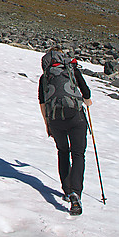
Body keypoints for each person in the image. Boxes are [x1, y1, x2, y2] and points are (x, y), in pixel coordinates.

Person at [38, 46, 92, 215]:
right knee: (78, 154)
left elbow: (42, 102)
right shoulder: (71, 70)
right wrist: (86, 101)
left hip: (55, 119)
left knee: (62, 151)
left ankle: (67, 190)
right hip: (76, 117)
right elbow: (87, 94)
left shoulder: (45, 77)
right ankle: (76, 193)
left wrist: (47, 124)